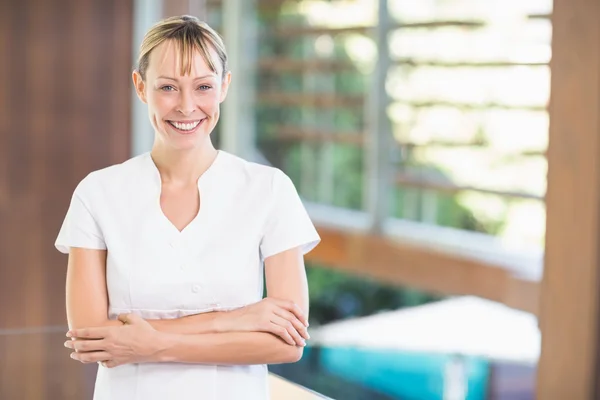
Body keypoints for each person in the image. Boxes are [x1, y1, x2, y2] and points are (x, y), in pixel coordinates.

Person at [55, 15, 320, 400]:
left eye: (203, 87)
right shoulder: (98, 194)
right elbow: (91, 339)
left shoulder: (269, 190)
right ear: (140, 86)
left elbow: (287, 343)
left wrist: (153, 343)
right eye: (167, 87)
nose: (186, 106)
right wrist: (237, 320)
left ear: (224, 86)